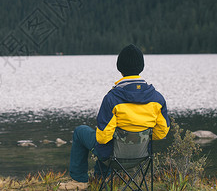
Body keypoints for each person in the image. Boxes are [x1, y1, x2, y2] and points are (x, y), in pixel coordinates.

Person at [59, 44, 170, 190]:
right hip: (141, 156)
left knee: (81, 132)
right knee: (110, 139)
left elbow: (103, 138)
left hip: (114, 157)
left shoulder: (113, 99)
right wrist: (137, 138)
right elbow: (161, 132)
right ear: (141, 67)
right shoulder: (157, 99)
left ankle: (79, 181)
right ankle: (100, 178)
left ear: (120, 67)